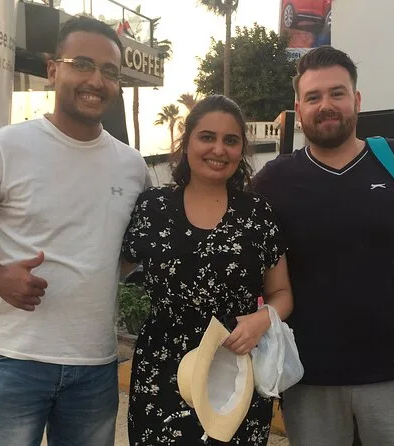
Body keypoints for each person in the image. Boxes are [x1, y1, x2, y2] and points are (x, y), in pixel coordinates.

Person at [0, 16, 151, 446]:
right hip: (13, 360)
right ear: (52, 70)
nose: (96, 80)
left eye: (109, 71)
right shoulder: (3, 147)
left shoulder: (132, 165)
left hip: (95, 365)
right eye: (82, 64)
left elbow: (129, 249)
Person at [251, 46, 394, 445]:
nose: (325, 105)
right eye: (313, 97)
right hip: (309, 382)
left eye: (337, 93)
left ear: (357, 99)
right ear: (299, 107)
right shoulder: (273, 181)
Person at [121, 95, 294, 445]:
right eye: (207, 137)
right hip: (162, 373)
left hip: (235, 373)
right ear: (186, 143)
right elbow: (110, 267)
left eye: (230, 140)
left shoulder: (258, 214)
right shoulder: (152, 208)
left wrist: (262, 319)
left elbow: (282, 293)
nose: (218, 149)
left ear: (241, 150)